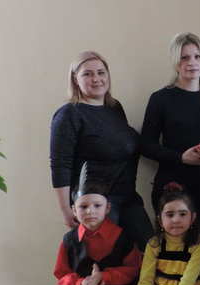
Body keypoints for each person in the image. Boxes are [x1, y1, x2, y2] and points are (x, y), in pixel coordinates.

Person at [50, 51, 152, 249]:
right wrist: (67, 211)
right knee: (105, 260)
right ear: (75, 79)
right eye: (87, 74)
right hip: (95, 205)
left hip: (128, 198)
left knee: (150, 251)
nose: (96, 79)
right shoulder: (69, 114)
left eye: (101, 72)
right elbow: (60, 165)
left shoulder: (114, 108)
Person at [140, 32, 200, 256]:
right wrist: (180, 157)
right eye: (185, 57)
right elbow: (146, 145)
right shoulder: (160, 99)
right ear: (175, 62)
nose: (192, 63)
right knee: (173, 249)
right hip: (173, 183)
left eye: (197, 57)